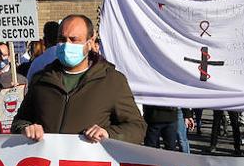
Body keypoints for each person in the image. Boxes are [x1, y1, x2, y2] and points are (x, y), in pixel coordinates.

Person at [13, 14, 145, 144]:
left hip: (88, 163)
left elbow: (137, 128)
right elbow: (19, 121)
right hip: (47, 163)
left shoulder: (112, 81)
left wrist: (108, 133)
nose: (66, 45)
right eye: (62, 39)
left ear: (90, 42)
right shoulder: (41, 79)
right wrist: (26, 129)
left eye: (73, 39)